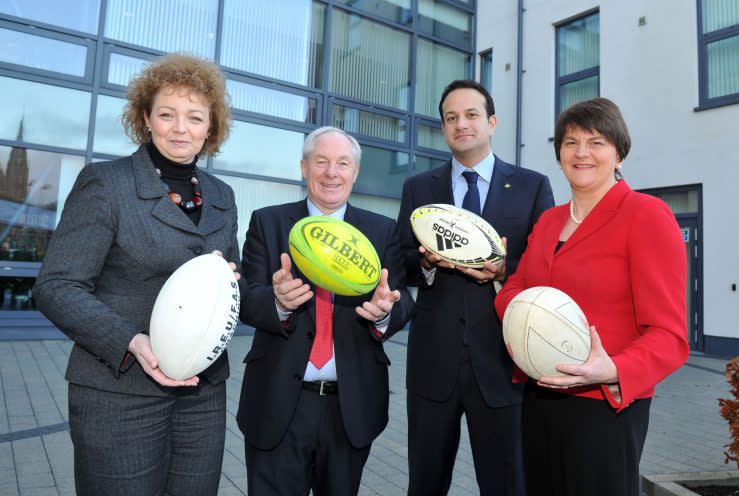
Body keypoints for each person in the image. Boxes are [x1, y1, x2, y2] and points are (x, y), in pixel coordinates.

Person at [33, 53, 239, 496]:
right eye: (167, 114)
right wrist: (131, 340)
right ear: (146, 118)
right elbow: (57, 286)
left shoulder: (223, 196)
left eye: (195, 117)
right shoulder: (106, 183)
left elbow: (226, 279)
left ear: (211, 127)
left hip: (202, 396)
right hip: (118, 391)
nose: (180, 128)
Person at [494, 97, 689, 496]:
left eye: (596, 141)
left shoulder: (646, 215)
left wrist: (614, 369)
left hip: (604, 405)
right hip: (539, 397)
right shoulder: (548, 221)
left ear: (619, 153)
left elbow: (669, 335)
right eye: (570, 142)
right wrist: (517, 311)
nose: (582, 152)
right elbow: (517, 290)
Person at [235, 126, 414, 496]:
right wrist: (277, 301)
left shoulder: (381, 231)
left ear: (355, 172)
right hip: (278, 403)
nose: (332, 172)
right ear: (304, 167)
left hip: (350, 408)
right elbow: (244, 298)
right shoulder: (268, 223)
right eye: (321, 162)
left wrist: (384, 312)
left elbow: (402, 302)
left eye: (342, 163)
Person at [397, 80, 554, 495]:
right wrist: (425, 263)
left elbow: (550, 268)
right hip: (433, 366)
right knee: (425, 483)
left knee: (507, 484)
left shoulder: (532, 186)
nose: (460, 124)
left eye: (470, 115)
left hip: (503, 363)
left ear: (492, 122)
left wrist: (505, 270)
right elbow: (400, 261)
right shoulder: (418, 188)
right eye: (451, 118)